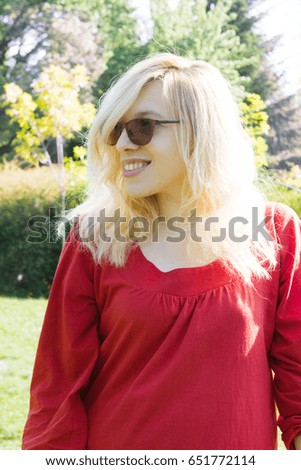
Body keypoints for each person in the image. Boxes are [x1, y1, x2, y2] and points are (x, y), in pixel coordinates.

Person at [22, 53, 301, 450]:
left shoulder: (274, 233)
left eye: (141, 127)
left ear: (200, 132)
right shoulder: (96, 239)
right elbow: (56, 392)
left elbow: (298, 384)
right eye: (114, 129)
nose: (120, 144)